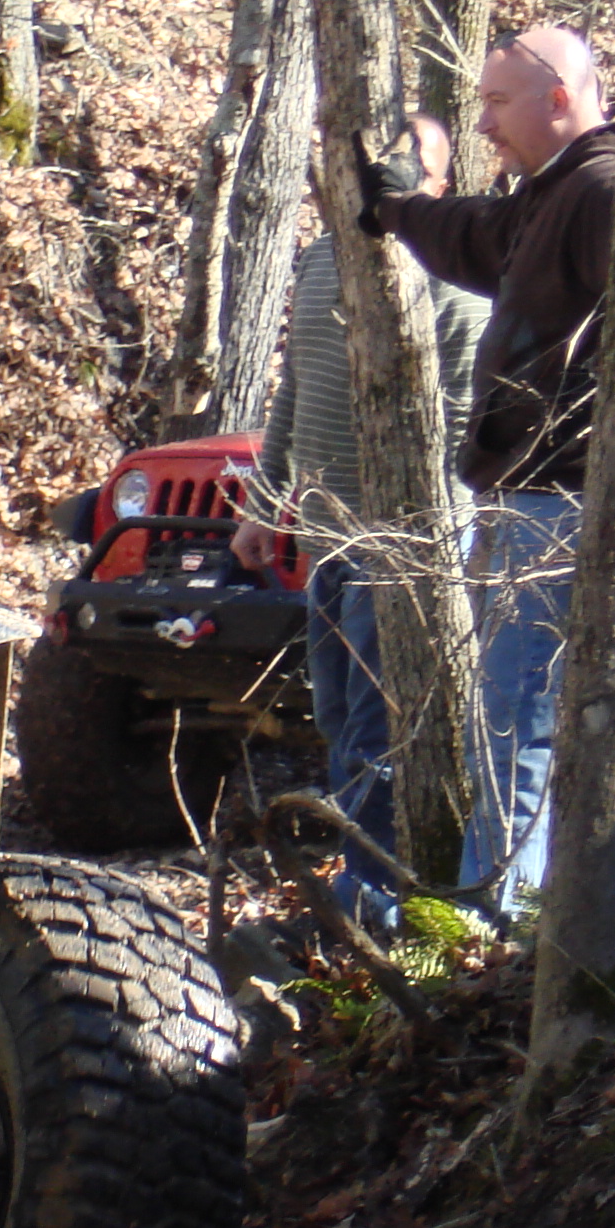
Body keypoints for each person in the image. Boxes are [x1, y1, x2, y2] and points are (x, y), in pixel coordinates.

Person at [363, 25, 615, 927]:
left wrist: (600, 466)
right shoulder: (556, 193)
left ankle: (491, 927)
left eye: (497, 103)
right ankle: (610, 909)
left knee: (519, 711)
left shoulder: (607, 192)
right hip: (557, 492)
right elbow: (480, 238)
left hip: (570, 496)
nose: (484, 123)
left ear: (559, 99)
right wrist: (398, 208)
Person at [232, 115, 488, 931]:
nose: (389, 178)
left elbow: (466, 416)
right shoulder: (318, 260)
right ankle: (359, 893)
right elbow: (295, 388)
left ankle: (377, 905)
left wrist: (437, 536)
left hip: (406, 544)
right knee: (339, 721)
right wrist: (264, 506)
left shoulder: (454, 273)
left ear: (441, 183)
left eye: (414, 166)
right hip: (327, 536)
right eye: (378, 164)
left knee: (381, 731)